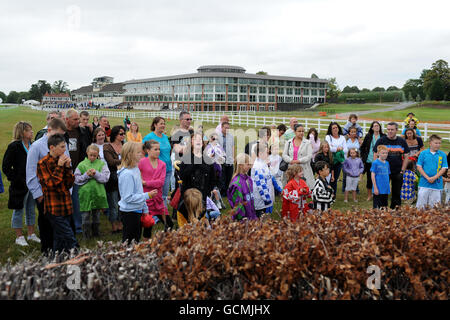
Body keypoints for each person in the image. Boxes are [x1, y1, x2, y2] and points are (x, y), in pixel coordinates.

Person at [26, 118, 70, 254]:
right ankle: (47, 253)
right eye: (58, 134)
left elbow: (69, 166)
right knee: (46, 227)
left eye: (62, 135)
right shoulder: (37, 146)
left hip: (62, 194)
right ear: (49, 130)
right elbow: (31, 174)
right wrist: (39, 196)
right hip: (45, 194)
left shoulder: (63, 145)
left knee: (62, 227)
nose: (60, 138)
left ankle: (63, 253)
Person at [36, 133, 78, 254]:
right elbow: (50, 185)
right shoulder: (43, 164)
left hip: (66, 206)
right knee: (70, 237)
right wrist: (60, 167)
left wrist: (68, 168)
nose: (64, 150)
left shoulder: (63, 161)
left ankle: (55, 260)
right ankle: (80, 258)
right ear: (52, 148)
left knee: (59, 239)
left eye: (65, 147)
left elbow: (69, 184)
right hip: (54, 208)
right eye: (61, 147)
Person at [2, 121, 40, 246]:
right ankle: (19, 237)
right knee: (18, 210)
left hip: (33, 183)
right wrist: (16, 179)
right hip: (19, 185)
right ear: (22, 132)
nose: (32, 132)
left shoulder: (33, 145)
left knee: (31, 209)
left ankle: (31, 234)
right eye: (29, 130)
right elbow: (6, 166)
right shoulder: (14, 146)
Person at [117, 142, 157, 244]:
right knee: (130, 240)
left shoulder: (135, 169)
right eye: (138, 152)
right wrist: (147, 195)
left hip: (137, 210)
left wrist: (145, 209)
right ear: (130, 155)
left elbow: (139, 191)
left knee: (136, 238)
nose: (141, 154)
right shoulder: (127, 174)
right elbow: (128, 197)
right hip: (129, 212)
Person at [139, 140, 173, 241]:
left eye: (159, 149)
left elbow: (161, 182)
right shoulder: (142, 162)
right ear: (148, 150)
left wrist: (146, 183)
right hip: (147, 199)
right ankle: (147, 246)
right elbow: (138, 177)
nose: (158, 151)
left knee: (169, 224)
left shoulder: (162, 164)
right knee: (148, 225)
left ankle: (167, 242)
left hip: (158, 199)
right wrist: (144, 183)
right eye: (155, 149)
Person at [74, 144, 110, 239]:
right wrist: (86, 175)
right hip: (85, 195)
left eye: (95, 155)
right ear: (87, 153)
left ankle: (96, 233)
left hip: (98, 193)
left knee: (96, 215)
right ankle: (86, 235)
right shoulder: (81, 165)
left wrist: (96, 174)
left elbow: (105, 178)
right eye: (91, 155)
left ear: (98, 154)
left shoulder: (102, 164)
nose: (93, 157)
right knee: (85, 216)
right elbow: (76, 179)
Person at [65, 109, 91, 234]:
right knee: (65, 200)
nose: (78, 121)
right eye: (75, 119)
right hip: (64, 172)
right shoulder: (62, 133)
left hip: (77, 170)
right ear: (67, 120)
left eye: (78, 119)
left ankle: (78, 226)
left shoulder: (82, 131)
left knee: (76, 200)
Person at [373, 122, 410, 209]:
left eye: (392, 129)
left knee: (396, 192)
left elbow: (406, 156)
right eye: (388, 129)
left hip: (397, 171)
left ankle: (395, 209)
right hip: (383, 171)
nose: (390, 131)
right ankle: (381, 208)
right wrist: (376, 169)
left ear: (396, 130)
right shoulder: (381, 140)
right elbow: (375, 154)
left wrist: (402, 170)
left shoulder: (402, 141)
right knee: (382, 191)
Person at [178, 132, 218, 209]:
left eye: (200, 139)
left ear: (203, 143)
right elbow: (182, 176)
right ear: (191, 143)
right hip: (189, 194)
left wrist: (207, 191)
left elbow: (212, 177)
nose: (198, 141)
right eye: (195, 139)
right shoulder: (186, 159)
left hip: (203, 193)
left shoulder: (207, 159)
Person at [143, 117, 173, 207]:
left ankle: (162, 212)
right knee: (155, 193)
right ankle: (153, 214)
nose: (163, 125)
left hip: (168, 169)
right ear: (155, 125)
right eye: (161, 123)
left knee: (164, 193)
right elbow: (141, 151)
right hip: (156, 170)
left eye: (164, 123)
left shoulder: (165, 137)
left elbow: (168, 151)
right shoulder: (149, 137)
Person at [104, 126, 126, 233]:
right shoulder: (107, 147)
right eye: (121, 134)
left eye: (124, 134)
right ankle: (114, 224)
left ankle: (121, 222)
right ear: (115, 135)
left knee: (122, 202)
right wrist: (123, 160)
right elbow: (110, 162)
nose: (123, 136)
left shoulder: (125, 145)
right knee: (113, 203)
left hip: (124, 177)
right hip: (112, 178)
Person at [416, 135, 448, 209]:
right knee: (421, 205)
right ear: (430, 143)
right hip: (424, 183)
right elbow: (419, 167)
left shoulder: (442, 154)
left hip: (437, 184)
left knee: (434, 206)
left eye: (439, 143)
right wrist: (427, 178)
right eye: (436, 143)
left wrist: (434, 177)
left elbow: (444, 168)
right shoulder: (423, 153)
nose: (438, 145)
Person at [252, 142, 281, 217]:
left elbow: (269, 177)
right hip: (261, 201)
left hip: (265, 199)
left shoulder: (264, 164)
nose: (268, 154)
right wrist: (267, 199)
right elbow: (261, 185)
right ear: (260, 154)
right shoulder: (258, 167)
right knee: (261, 221)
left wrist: (278, 188)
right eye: (267, 153)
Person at [282, 124, 315, 189]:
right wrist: (290, 160)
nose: (301, 133)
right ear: (294, 132)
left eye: (303, 131)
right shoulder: (288, 142)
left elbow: (309, 156)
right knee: (291, 187)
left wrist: (299, 161)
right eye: (299, 131)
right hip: (291, 169)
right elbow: (284, 155)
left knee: (303, 188)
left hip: (303, 169)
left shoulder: (307, 142)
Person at [227, 153, 257, 221]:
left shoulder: (249, 179)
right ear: (240, 165)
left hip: (252, 216)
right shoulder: (236, 183)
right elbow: (237, 205)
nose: (250, 166)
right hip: (243, 219)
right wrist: (242, 218)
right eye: (248, 164)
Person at [360, 121, 385, 201]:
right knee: (370, 178)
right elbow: (363, 147)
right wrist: (364, 157)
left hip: (381, 161)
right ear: (372, 128)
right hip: (369, 160)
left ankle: (378, 193)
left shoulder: (383, 136)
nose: (377, 127)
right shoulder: (369, 136)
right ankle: (369, 195)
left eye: (378, 125)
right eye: (375, 126)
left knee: (380, 178)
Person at [325, 122, 347, 195]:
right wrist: (338, 149)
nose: (335, 129)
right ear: (330, 130)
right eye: (333, 128)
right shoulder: (328, 137)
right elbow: (328, 148)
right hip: (330, 160)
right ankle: (326, 193)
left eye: (336, 127)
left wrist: (336, 149)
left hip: (338, 161)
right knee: (327, 177)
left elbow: (346, 149)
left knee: (335, 178)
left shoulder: (342, 137)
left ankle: (333, 194)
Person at [217, 121, 235, 197]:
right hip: (221, 160)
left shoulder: (231, 136)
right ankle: (222, 192)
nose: (227, 129)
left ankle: (227, 191)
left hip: (229, 159)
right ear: (221, 128)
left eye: (228, 128)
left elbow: (233, 147)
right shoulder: (217, 136)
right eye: (225, 128)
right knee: (222, 177)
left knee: (229, 176)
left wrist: (233, 157)